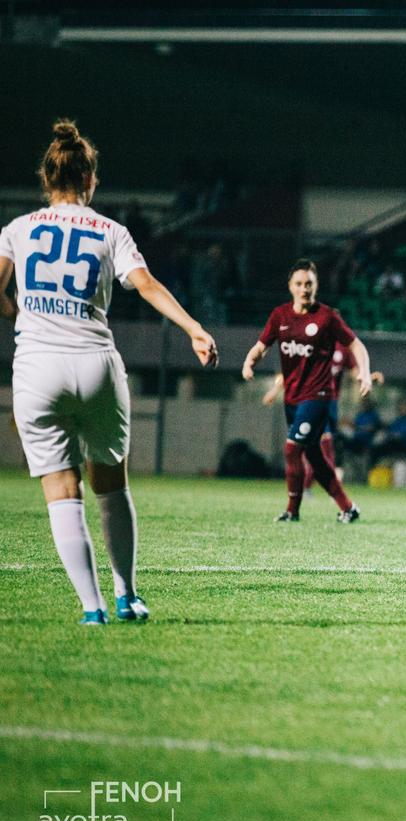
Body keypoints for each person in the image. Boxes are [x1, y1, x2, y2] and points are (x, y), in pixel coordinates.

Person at [0, 120, 218, 624]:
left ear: (45, 179)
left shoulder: (17, 228)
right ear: (91, 180)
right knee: (111, 484)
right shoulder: (109, 230)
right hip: (96, 364)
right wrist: (193, 328)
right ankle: (127, 594)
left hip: (37, 368)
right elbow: (145, 285)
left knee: (61, 489)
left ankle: (91, 608)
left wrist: (14, 311)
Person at [241, 259, 371, 522]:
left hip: (319, 396)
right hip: (293, 397)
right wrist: (249, 361)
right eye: (299, 284)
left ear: (316, 286)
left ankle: (292, 510)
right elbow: (262, 346)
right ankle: (348, 507)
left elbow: (357, 346)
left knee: (291, 449)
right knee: (316, 457)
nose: (304, 288)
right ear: (290, 286)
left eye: (309, 284)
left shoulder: (327, 317)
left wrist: (365, 373)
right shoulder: (280, 316)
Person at [263, 341, 384, 489]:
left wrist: (368, 378)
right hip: (312, 400)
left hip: (331, 404)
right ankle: (324, 483)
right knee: (324, 443)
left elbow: (355, 374)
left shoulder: (343, 349)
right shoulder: (311, 345)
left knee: (323, 448)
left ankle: (310, 484)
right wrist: (274, 391)